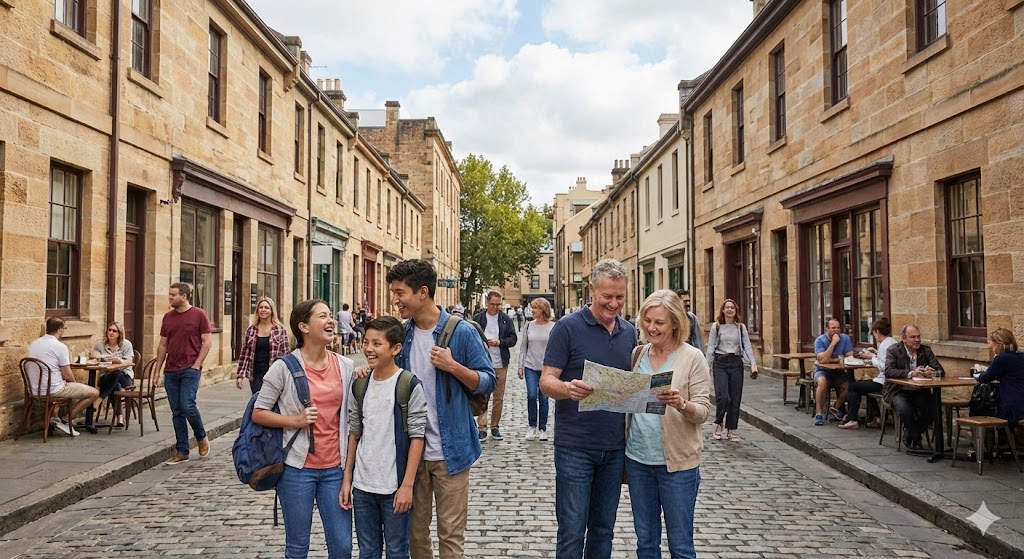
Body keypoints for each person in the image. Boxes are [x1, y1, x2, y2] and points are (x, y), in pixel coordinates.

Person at [386, 259, 495, 559]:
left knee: (450, 537)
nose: (395, 300)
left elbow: (487, 381)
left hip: (453, 451)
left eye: (399, 292)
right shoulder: (401, 335)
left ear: (422, 292)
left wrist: (454, 366)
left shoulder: (461, 332)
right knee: (416, 536)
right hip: (412, 454)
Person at [540, 258, 637, 559]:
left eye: (620, 296)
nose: (614, 303)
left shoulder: (630, 332)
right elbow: (546, 380)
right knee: (571, 531)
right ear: (592, 291)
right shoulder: (567, 328)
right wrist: (568, 389)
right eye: (607, 296)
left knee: (604, 530)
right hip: (575, 446)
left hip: (615, 447)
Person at [253, 299, 354, 558]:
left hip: (335, 469)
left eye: (331, 315)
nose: (331, 321)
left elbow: (352, 416)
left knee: (342, 547)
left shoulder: (345, 366)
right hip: (297, 470)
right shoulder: (283, 367)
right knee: (297, 547)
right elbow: (258, 412)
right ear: (304, 326)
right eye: (323, 316)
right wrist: (295, 421)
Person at [628, 290, 711, 559]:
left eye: (659, 323)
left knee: (681, 545)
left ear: (675, 322)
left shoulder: (692, 357)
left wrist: (682, 404)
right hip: (638, 460)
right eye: (647, 320)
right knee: (646, 543)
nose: (651, 328)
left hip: (677, 464)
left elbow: (703, 411)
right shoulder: (637, 354)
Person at [342, 316, 427, 559]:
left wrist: (407, 486)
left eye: (377, 344)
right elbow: (354, 432)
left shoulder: (408, 385)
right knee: (367, 551)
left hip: (394, 486)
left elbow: (417, 437)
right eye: (366, 342)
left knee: (397, 551)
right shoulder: (359, 384)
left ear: (395, 348)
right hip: (363, 486)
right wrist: (348, 477)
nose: (369, 349)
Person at [153, 282, 212, 465]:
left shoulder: (199, 315)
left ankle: (201, 436)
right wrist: (157, 372)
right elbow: (163, 345)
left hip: (190, 369)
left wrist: (197, 364)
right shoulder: (168, 318)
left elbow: (207, 342)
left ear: (184, 296)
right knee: (176, 411)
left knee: (187, 405)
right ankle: (182, 451)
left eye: (173, 295)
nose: (170, 298)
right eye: (169, 294)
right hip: (171, 371)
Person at [26, 317, 100, 437]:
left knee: (59, 390)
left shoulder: (34, 344)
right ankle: (66, 420)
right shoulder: (59, 346)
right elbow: (67, 374)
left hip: (34, 390)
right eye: (64, 329)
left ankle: (54, 421)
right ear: (60, 330)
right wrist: (76, 384)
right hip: (54, 390)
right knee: (94, 393)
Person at [882, 324, 943, 450]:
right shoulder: (893, 350)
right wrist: (911, 373)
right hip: (897, 390)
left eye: (919, 336)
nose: (917, 340)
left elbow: (940, 371)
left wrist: (931, 372)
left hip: (919, 390)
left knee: (934, 408)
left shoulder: (925, 351)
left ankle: (911, 433)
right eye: (913, 337)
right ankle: (915, 436)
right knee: (905, 409)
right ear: (903, 338)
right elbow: (888, 371)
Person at [704, 299, 757, 442]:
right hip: (720, 362)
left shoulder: (740, 327)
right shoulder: (717, 326)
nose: (729, 310)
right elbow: (710, 347)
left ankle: (731, 430)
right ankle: (719, 424)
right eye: (727, 307)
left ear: (735, 310)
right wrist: (706, 366)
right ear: (722, 310)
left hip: (736, 363)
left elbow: (747, 346)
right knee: (723, 397)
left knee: (735, 398)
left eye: (732, 307)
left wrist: (753, 364)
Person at [473, 291, 517, 441]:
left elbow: (513, 338)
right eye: (493, 304)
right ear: (487, 303)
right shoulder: (478, 319)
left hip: (501, 363)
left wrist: (500, 342)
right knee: (483, 395)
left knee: (498, 397)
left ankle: (495, 427)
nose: (496, 307)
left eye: (498, 305)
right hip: (482, 363)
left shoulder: (505, 319)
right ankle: (482, 427)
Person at [839, 317, 896, 430]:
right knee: (864, 385)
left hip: (885, 382)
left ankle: (852, 419)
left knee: (854, 387)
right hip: (888, 381)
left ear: (877, 332)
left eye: (874, 333)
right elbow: (886, 359)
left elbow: (885, 366)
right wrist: (876, 352)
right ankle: (876, 417)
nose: (874, 336)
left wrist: (872, 357)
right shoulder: (892, 341)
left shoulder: (885, 345)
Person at [518, 297, 555, 441]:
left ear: (543, 309)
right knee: (531, 395)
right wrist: (520, 366)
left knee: (544, 398)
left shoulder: (553, 327)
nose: (532, 311)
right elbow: (523, 347)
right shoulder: (528, 325)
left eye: (535, 308)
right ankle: (531, 425)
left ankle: (542, 428)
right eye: (532, 308)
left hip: (546, 367)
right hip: (530, 366)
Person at [236, 297, 290, 394]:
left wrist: (287, 375)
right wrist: (240, 375)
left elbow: (286, 354)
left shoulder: (280, 330)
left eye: (266, 308)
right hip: (256, 374)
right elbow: (245, 354)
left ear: (271, 311)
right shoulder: (251, 330)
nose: (263, 310)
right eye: (261, 307)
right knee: (257, 400)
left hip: (273, 373)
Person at [975, 328, 1024, 427]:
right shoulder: (1020, 356)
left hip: (1012, 407)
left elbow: (984, 378)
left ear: (998, 344)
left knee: (981, 408)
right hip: (1021, 404)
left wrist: (978, 371)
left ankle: (993, 440)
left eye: (991, 344)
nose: (990, 347)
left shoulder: (1002, 359)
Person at [93, 321, 136, 430]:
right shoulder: (100, 344)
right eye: (109, 330)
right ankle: (119, 418)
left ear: (119, 333)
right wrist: (98, 356)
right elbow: (93, 353)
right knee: (114, 384)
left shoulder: (126, 344)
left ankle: (99, 399)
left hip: (125, 378)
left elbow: (130, 361)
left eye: (114, 331)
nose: (111, 333)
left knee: (116, 373)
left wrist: (119, 360)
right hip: (106, 376)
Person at [811, 317, 854, 426]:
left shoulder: (845, 338)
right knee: (822, 382)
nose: (836, 330)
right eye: (833, 328)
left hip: (838, 371)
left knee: (850, 385)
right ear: (827, 329)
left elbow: (850, 356)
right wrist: (833, 343)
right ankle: (819, 413)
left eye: (838, 328)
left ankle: (836, 407)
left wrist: (831, 360)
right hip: (822, 370)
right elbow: (823, 360)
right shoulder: (820, 340)